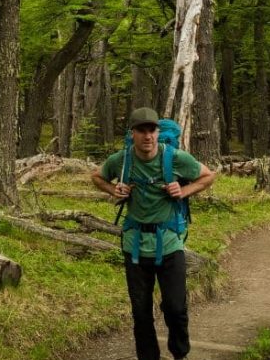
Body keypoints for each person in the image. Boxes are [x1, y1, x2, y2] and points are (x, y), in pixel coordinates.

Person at [91, 107, 217, 360]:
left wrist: (184, 191)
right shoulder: (122, 160)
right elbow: (96, 176)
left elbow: (208, 175)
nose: (147, 136)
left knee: (175, 308)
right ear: (133, 133)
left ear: (158, 133)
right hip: (135, 246)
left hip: (170, 244)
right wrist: (113, 189)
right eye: (141, 130)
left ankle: (180, 353)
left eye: (152, 130)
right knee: (140, 312)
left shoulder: (175, 158)